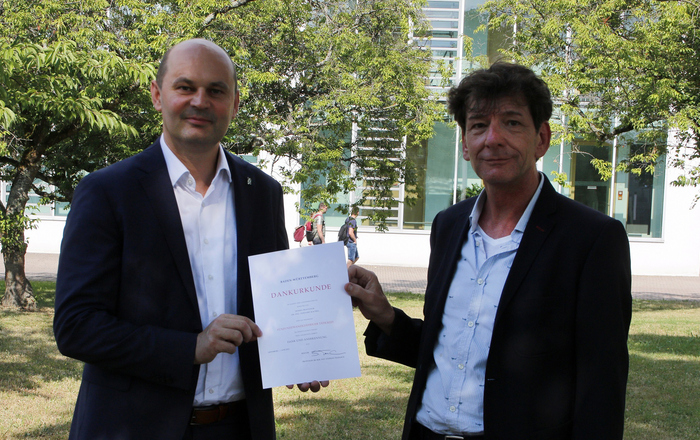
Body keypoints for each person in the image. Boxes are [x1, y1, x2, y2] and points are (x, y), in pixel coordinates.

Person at [53, 38, 326, 440]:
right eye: (185, 87)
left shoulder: (262, 192)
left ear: (234, 104)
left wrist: (302, 350)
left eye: (216, 91)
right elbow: (76, 326)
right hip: (133, 427)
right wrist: (190, 348)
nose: (200, 101)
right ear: (157, 94)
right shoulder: (108, 191)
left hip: (241, 427)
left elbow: (275, 303)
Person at [345, 63, 632, 440]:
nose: (492, 138)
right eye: (478, 125)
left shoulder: (592, 238)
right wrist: (386, 317)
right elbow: (449, 350)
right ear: (465, 144)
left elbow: (601, 386)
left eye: (511, 123)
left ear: (542, 138)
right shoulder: (448, 226)